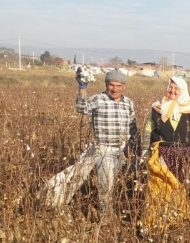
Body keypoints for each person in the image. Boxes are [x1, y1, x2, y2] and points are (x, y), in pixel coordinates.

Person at [43, 68, 136, 213]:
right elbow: (82, 108)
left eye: (118, 86)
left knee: (125, 182)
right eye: (111, 85)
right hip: (103, 150)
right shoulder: (98, 99)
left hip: (122, 150)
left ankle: (122, 210)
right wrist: (82, 88)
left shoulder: (128, 103)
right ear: (106, 84)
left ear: (124, 86)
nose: (115, 89)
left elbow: (132, 124)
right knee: (105, 185)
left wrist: (133, 145)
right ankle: (105, 217)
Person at [140, 77, 190, 226]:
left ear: (182, 91)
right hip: (161, 152)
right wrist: (144, 150)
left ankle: (177, 218)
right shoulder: (157, 108)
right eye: (170, 87)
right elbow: (148, 130)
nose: (172, 91)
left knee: (179, 186)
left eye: (176, 88)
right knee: (159, 185)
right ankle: (157, 220)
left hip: (183, 153)